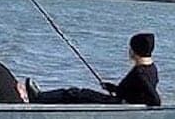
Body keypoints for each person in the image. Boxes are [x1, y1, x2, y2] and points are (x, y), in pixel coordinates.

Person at [27, 33, 161, 106]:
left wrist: (132, 106)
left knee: (75, 94)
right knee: (78, 94)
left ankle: (39, 98)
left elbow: (155, 100)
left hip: (117, 105)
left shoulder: (139, 72)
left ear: (134, 51)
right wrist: (111, 87)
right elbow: (135, 91)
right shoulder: (151, 68)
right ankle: (43, 99)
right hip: (119, 101)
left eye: (130, 48)